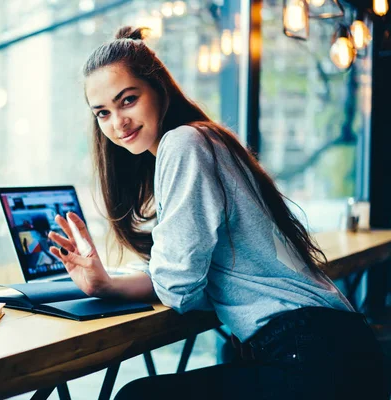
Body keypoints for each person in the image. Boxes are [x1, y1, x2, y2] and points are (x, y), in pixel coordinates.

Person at [47, 26, 387, 399]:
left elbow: (178, 289)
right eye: (102, 113)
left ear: (159, 88)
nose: (117, 122)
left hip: (310, 356)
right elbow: (190, 281)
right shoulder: (207, 137)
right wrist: (105, 285)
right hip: (334, 348)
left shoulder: (183, 143)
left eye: (127, 100)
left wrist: (124, 283)